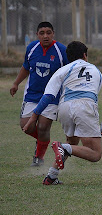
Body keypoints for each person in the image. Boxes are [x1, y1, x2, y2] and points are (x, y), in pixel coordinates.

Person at [22, 41, 102, 185]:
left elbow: (48, 96)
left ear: (68, 57)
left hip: (64, 107)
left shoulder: (62, 70)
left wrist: (32, 117)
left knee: (72, 141)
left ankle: (51, 177)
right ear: (85, 55)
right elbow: (93, 93)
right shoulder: (96, 70)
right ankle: (63, 148)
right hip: (85, 104)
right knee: (95, 153)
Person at [10, 22, 68, 167]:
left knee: (43, 127)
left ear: (53, 33)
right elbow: (26, 67)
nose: (45, 36)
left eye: (48, 32)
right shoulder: (32, 48)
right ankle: (43, 140)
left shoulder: (61, 51)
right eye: (42, 33)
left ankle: (39, 158)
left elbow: (69, 72)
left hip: (52, 97)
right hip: (32, 95)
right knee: (26, 127)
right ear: (37, 35)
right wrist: (16, 83)